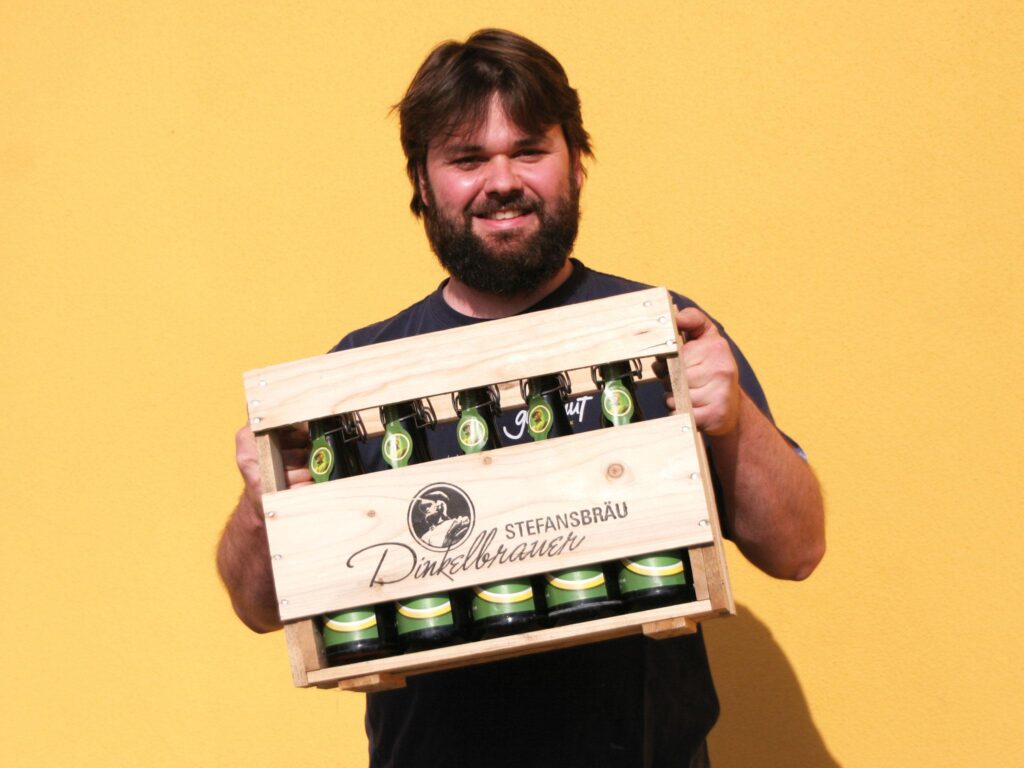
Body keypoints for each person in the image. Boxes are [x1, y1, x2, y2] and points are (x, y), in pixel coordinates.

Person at [217, 28, 825, 768]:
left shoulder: (664, 334)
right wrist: (263, 499)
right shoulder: (356, 376)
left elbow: (798, 550)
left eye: (529, 150)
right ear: (423, 182)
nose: (501, 181)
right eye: (468, 158)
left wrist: (735, 424)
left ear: (577, 162)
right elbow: (256, 607)